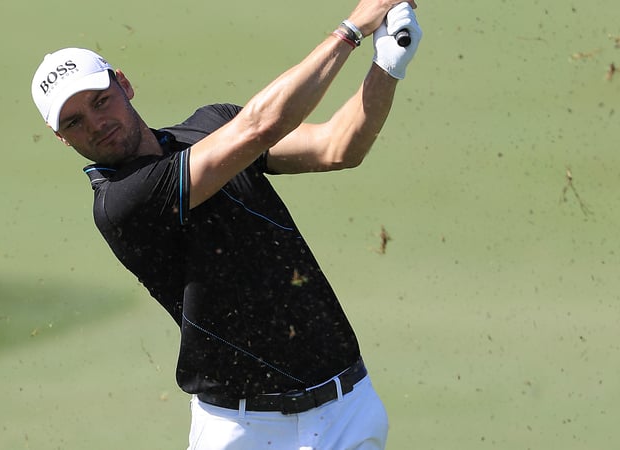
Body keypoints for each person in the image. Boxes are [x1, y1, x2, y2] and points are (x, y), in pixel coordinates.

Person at [31, 1, 421, 448]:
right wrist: (351, 30)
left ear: (124, 84)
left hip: (346, 409)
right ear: (61, 137)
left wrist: (388, 63)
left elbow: (338, 146)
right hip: (243, 431)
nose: (97, 124)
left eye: (100, 101)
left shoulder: (212, 124)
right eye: (75, 121)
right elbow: (259, 127)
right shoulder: (121, 202)